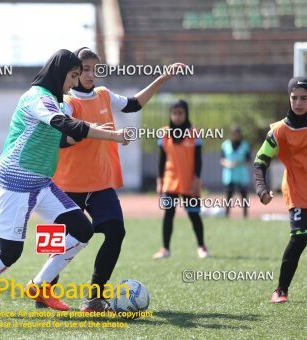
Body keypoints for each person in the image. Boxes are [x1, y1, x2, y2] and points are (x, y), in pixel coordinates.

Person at [0, 49, 130, 314]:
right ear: (59, 73)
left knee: (82, 231)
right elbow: (64, 124)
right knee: (10, 253)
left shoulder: (55, 100)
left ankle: (40, 285)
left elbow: (65, 135)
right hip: (16, 181)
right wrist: (111, 136)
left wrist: (92, 133)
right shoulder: (38, 98)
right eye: (72, 76)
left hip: (41, 182)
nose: (74, 82)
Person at [51, 47, 186, 311]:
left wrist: (161, 79)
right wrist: (93, 133)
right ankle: (45, 289)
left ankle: (94, 296)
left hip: (100, 184)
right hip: (68, 186)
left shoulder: (103, 95)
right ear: (74, 73)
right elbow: (59, 140)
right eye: (85, 70)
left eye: (95, 69)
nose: (91, 74)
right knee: (59, 241)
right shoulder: (67, 103)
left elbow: (134, 104)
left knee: (116, 232)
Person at [254, 76, 307, 303]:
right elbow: (260, 162)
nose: (298, 102)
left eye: (304, 98)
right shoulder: (278, 131)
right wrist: (262, 189)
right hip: (297, 190)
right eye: (294, 97)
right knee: (299, 238)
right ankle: (281, 290)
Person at [154, 100, 209, 259]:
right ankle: (165, 249)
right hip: (170, 181)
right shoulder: (164, 133)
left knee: (194, 214)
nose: (177, 116)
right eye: (174, 113)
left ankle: (201, 247)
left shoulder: (194, 133)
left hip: (189, 182)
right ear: (170, 114)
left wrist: (197, 181)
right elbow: (161, 159)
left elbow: (198, 161)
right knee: (168, 214)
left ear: (186, 114)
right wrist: (160, 180)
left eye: (180, 113)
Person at [220, 125, 251, 218]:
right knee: (228, 196)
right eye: (233, 134)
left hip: (241, 175)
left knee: (244, 196)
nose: (235, 136)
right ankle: (226, 214)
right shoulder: (225, 145)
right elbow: (221, 159)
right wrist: (228, 164)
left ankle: (245, 215)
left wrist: (239, 163)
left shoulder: (245, 146)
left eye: (237, 134)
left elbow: (248, 159)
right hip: (229, 175)